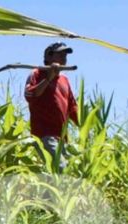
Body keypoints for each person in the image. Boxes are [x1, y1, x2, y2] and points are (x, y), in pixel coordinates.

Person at [25, 42, 79, 172]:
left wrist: (84, 125)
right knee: (60, 168)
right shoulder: (37, 74)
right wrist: (49, 78)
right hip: (45, 135)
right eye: (59, 54)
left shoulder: (64, 80)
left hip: (62, 138)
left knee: (68, 171)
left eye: (65, 54)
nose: (64, 57)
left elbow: (72, 107)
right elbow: (30, 95)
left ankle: (48, 193)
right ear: (48, 57)